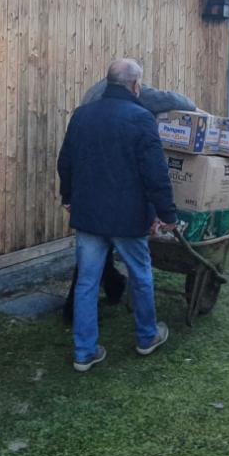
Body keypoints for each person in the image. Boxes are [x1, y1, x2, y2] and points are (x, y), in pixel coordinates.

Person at [57, 58, 177, 372]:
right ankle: (146, 337)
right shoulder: (141, 118)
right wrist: (167, 214)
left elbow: (66, 161)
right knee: (141, 275)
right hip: (128, 217)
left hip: (89, 215)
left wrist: (67, 197)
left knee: (86, 282)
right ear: (135, 85)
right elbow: (156, 172)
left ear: (108, 82)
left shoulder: (82, 115)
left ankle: (84, 352)